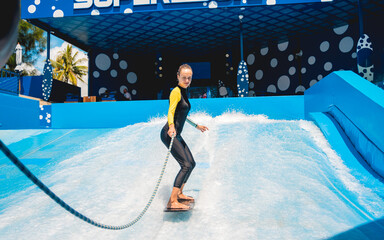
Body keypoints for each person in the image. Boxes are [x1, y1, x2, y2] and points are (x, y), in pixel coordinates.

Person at [160, 64, 209, 211]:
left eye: (189, 78)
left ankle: (179, 193)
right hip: (169, 134)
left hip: (177, 134)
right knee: (185, 165)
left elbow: (183, 114)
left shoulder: (184, 91)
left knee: (192, 163)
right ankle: (172, 201)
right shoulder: (175, 92)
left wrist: (196, 126)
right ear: (178, 77)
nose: (187, 80)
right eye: (184, 77)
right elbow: (171, 111)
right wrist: (172, 126)